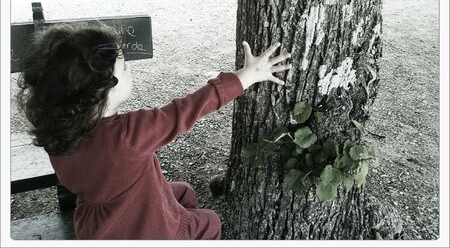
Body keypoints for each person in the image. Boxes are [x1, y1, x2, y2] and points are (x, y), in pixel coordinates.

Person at [17, 22, 292, 240]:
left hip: (96, 227)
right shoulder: (128, 134)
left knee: (183, 192)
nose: (129, 72)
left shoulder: (58, 134)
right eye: (124, 69)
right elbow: (188, 109)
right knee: (210, 222)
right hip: (151, 232)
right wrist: (248, 76)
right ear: (104, 91)